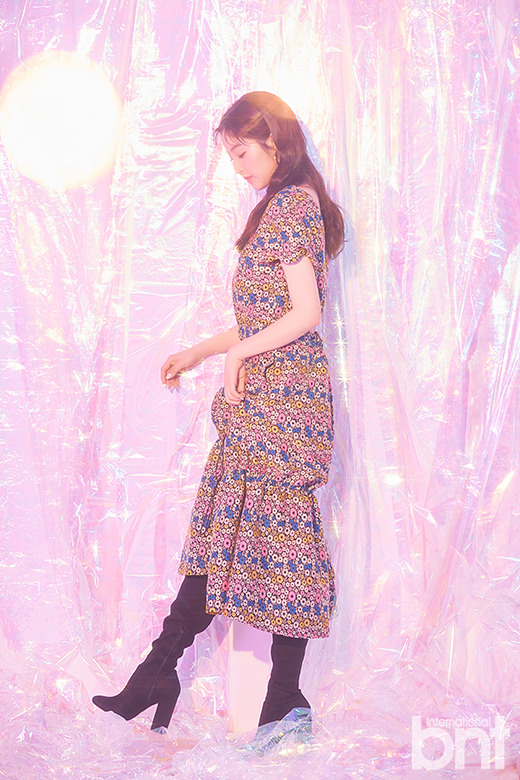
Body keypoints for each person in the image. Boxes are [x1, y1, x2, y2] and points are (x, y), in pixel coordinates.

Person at [92, 91, 345, 744]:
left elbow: (306, 313)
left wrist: (238, 356)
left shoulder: (293, 204)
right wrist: (203, 351)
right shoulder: (279, 207)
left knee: (281, 543)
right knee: (223, 531)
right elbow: (264, 316)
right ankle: (158, 672)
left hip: (286, 403)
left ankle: (283, 701)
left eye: (242, 152)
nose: (236, 165)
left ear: (274, 142)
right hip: (262, 398)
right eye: (230, 154)